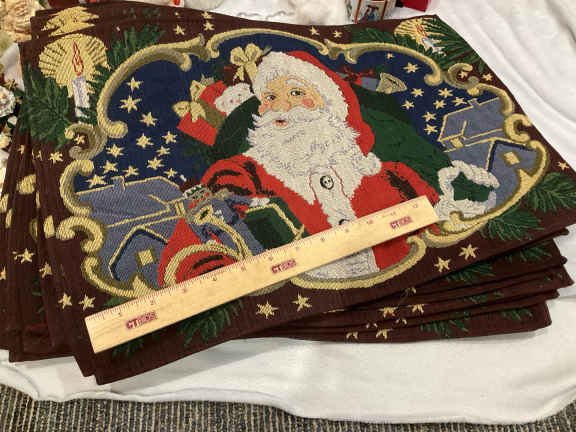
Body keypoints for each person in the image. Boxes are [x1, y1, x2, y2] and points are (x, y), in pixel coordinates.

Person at [158, 51, 439, 285]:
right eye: (269, 97)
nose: (280, 106)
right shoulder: (238, 175)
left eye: (296, 92)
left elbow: (441, 239)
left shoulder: (393, 176)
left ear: (330, 105)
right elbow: (188, 256)